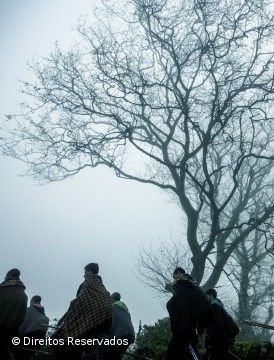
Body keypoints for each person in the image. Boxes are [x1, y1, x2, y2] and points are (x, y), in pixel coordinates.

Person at [53, 263, 112, 360]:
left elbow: (79, 302)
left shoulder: (87, 284)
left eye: (85, 272)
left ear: (89, 271)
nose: (83, 275)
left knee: (66, 340)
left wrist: (69, 315)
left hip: (91, 321)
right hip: (104, 320)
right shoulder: (101, 286)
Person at [166, 267, 212, 360]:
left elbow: (204, 305)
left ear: (179, 274)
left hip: (185, 331)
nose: (173, 279)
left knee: (191, 353)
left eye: (174, 276)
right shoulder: (189, 288)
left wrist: (200, 326)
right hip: (180, 331)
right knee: (171, 354)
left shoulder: (184, 288)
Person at [0, 268, 28, 360]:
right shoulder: (23, 295)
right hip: (10, 332)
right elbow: (21, 317)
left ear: (9, 275)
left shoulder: (1, 290)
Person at [205, 288, 239, 360]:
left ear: (211, 295)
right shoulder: (220, 306)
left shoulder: (214, 307)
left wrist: (210, 341)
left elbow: (216, 326)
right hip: (223, 340)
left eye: (207, 296)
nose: (206, 298)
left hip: (218, 341)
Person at [106, 292, 135, 359]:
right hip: (130, 336)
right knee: (116, 356)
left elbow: (108, 323)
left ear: (112, 298)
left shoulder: (113, 307)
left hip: (120, 336)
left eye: (110, 298)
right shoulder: (126, 310)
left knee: (109, 355)